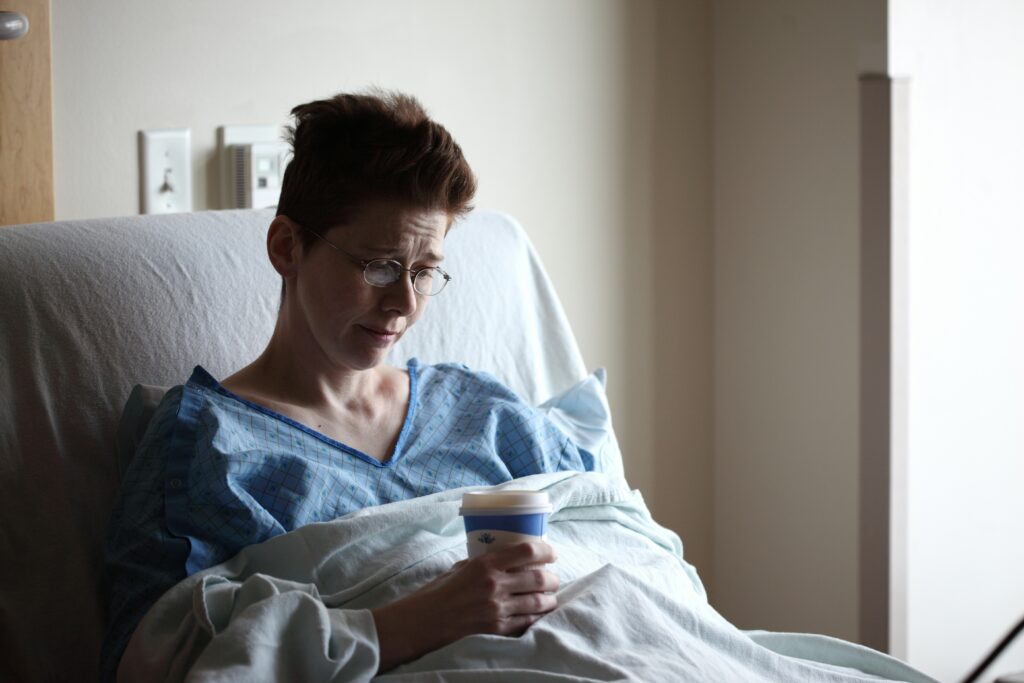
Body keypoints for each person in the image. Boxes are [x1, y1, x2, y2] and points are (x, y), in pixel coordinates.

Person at [101, 90, 600, 680]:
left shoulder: (480, 409)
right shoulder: (208, 448)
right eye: (380, 266)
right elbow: (157, 659)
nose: (403, 304)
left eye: (424, 271)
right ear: (287, 247)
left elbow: (617, 541)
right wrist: (416, 621)